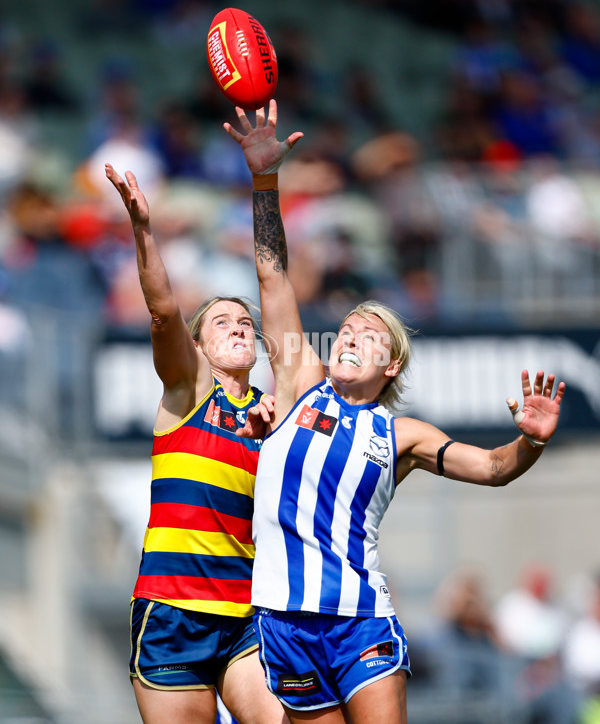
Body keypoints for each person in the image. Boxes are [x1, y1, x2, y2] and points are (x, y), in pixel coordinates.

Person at [223, 100, 566, 724]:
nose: (349, 336)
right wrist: (264, 179)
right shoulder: (299, 383)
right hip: (282, 620)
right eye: (347, 328)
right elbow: (273, 280)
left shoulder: (399, 433)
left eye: (368, 334)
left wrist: (532, 444)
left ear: (392, 366)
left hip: (360, 621)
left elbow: (491, 468)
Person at [105, 163, 286, 724]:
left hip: (245, 616)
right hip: (172, 613)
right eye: (222, 322)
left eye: (244, 323)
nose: (239, 327)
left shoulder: (274, 414)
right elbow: (163, 313)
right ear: (199, 347)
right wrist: (143, 229)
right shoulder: (188, 390)